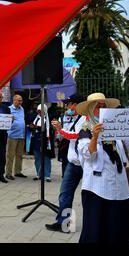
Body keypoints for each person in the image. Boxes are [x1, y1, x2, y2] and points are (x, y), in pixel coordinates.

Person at [75, 93, 129, 243]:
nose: (101, 108)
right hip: (97, 188)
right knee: (96, 231)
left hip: (120, 186)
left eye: (103, 105)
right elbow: (88, 155)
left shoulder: (115, 126)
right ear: (91, 110)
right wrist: (95, 137)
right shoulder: (85, 129)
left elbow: (128, 147)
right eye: (97, 106)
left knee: (119, 228)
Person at [45, 93, 86, 233]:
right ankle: (64, 223)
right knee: (65, 194)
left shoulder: (87, 119)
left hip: (86, 166)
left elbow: (74, 136)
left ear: (77, 105)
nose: (67, 107)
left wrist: (59, 129)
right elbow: (67, 134)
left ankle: (92, 225)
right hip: (73, 163)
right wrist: (61, 129)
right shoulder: (77, 118)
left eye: (69, 104)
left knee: (87, 196)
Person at [29, 104, 53, 182]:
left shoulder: (48, 118)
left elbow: (47, 129)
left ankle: (47, 175)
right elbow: (33, 127)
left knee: (46, 158)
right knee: (37, 158)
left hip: (45, 141)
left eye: (41, 111)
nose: (39, 112)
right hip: (36, 140)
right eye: (38, 111)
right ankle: (38, 174)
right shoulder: (36, 118)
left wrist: (37, 127)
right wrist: (31, 127)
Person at [5, 94, 26, 180]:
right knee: (10, 155)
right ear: (14, 100)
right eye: (19, 100)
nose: (21, 102)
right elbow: (6, 121)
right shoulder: (9, 109)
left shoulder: (22, 109)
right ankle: (8, 173)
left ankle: (18, 171)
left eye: (21, 100)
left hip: (21, 135)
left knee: (19, 155)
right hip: (12, 135)